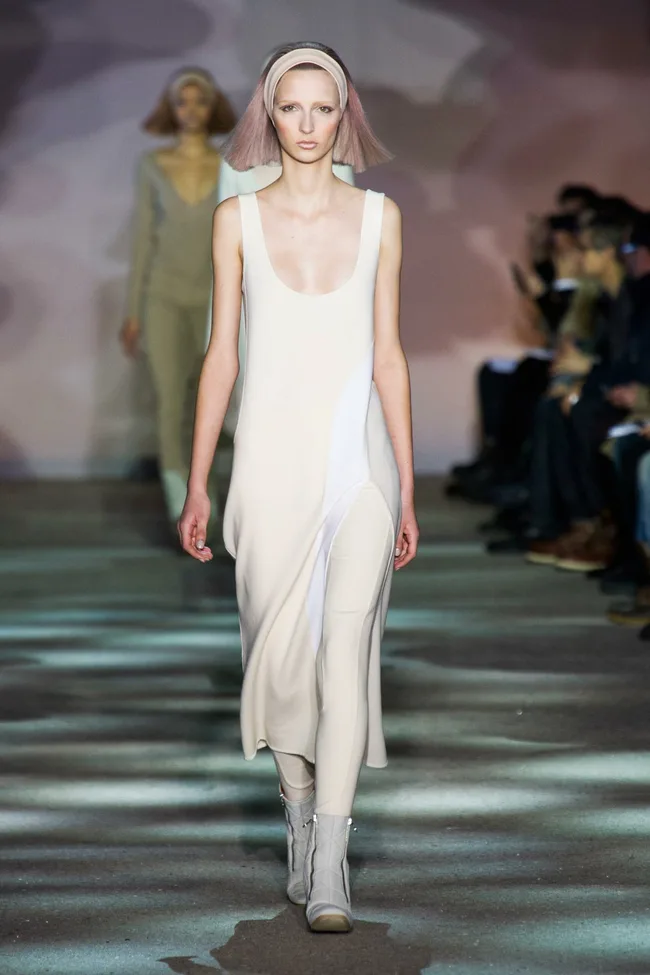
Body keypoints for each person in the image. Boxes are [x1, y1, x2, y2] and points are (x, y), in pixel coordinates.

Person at [178, 42, 418, 933]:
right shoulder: (235, 220)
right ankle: (297, 802)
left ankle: (329, 861)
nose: (310, 126)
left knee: (345, 655)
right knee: (278, 665)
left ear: (344, 112)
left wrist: (407, 481)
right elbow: (221, 357)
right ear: (268, 114)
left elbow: (388, 356)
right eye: (294, 108)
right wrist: (200, 480)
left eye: (325, 109)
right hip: (271, 465)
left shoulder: (381, 217)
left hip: (360, 461)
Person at [121, 67, 236, 534]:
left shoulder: (233, 165)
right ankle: (180, 510)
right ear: (171, 109)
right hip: (163, 298)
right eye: (182, 101)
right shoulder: (153, 166)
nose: (191, 110)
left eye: (200, 101)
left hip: (217, 299)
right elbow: (143, 240)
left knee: (216, 406)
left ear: (213, 109)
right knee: (170, 404)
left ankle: (218, 503)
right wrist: (133, 311)